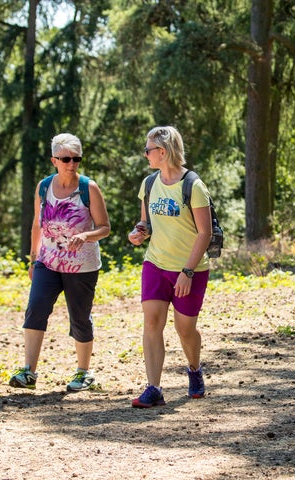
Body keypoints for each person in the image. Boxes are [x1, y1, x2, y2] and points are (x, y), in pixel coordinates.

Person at [10, 133, 111, 391]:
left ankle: (83, 372)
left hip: (82, 267)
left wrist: (85, 235)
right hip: (48, 262)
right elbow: (37, 224)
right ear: (54, 160)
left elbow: (105, 228)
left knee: (79, 318)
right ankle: (29, 372)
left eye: (76, 158)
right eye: (66, 158)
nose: (72, 163)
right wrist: (33, 259)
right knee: (35, 310)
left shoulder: (89, 188)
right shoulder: (44, 187)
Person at [128, 126, 212, 408]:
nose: (145, 154)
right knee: (151, 321)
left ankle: (194, 369)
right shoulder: (149, 184)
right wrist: (138, 233)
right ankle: (154, 388)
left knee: (185, 329)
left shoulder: (194, 186)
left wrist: (187, 272)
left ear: (162, 152)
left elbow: (205, 233)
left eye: (148, 149)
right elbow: (146, 224)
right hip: (155, 263)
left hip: (190, 269)